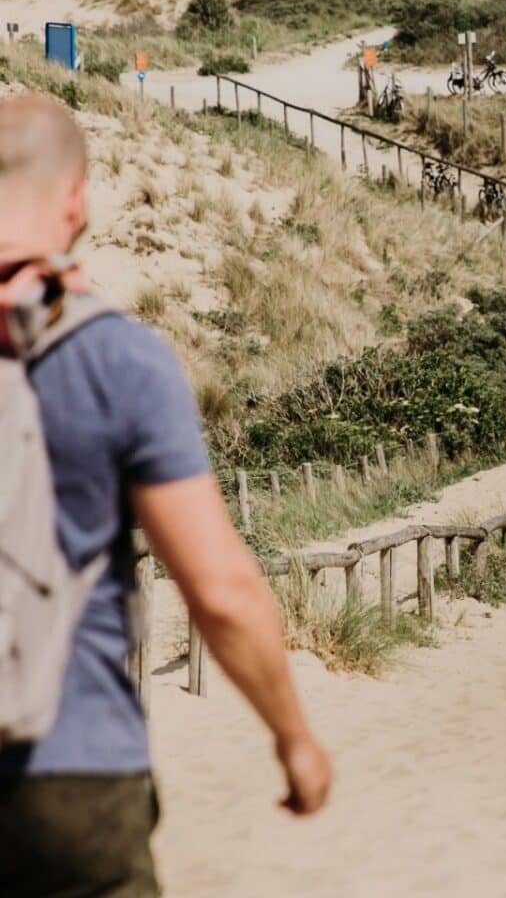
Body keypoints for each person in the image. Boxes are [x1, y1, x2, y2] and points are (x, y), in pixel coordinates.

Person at [0, 94, 332, 896]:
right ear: (76, 199)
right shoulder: (118, 360)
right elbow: (218, 590)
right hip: (67, 768)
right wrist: (293, 735)